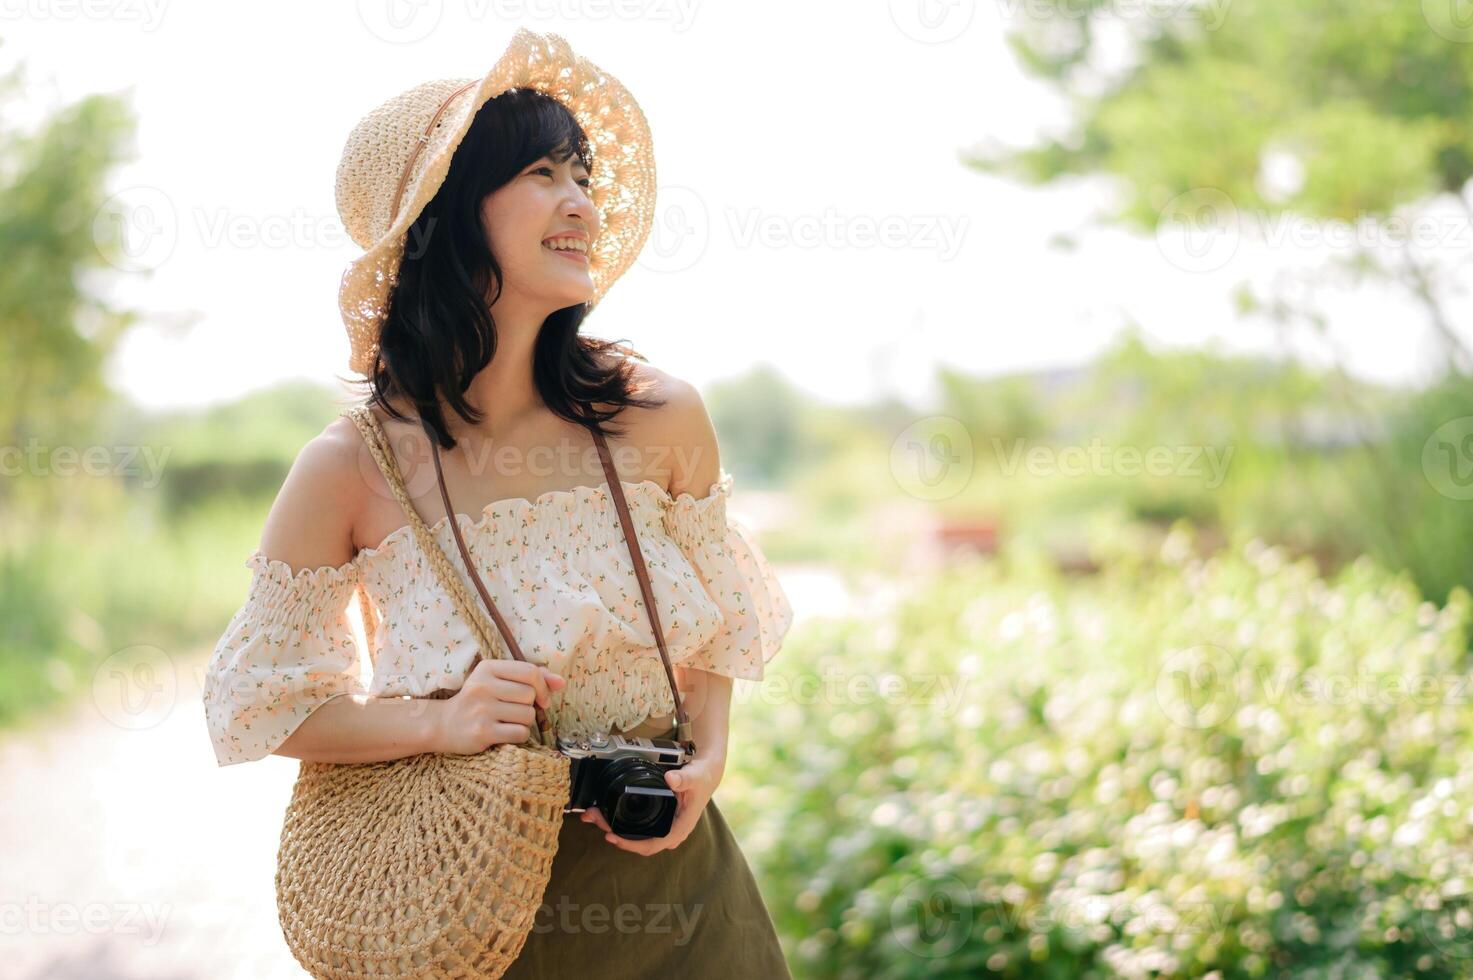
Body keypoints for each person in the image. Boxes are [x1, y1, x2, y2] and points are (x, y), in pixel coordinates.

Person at [201, 30, 795, 977]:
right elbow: (257, 705)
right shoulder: (352, 468)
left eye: (583, 174)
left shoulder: (661, 417)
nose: (581, 204)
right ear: (444, 219)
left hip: (685, 895)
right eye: (540, 172)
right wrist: (440, 722)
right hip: (472, 913)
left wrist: (709, 756)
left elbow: (718, 622)